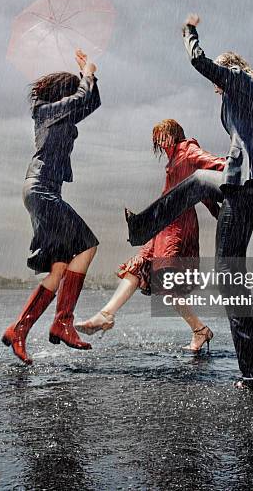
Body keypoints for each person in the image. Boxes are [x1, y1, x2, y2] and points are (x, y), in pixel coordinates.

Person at [126, 15, 253, 389]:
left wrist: (189, 31)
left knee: (228, 279)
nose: (216, 89)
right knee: (202, 190)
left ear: (231, 71)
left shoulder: (237, 82)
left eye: (219, 81)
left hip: (245, 184)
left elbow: (199, 61)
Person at [76, 119, 226, 352]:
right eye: (156, 137)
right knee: (138, 267)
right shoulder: (173, 159)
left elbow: (213, 166)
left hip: (180, 225)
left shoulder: (188, 150)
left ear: (175, 134)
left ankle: (200, 330)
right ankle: (106, 315)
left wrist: (233, 172)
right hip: (164, 224)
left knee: (165, 278)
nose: (159, 140)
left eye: (163, 135)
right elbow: (201, 190)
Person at [2, 49, 101, 364]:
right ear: (64, 93)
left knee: (59, 268)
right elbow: (83, 99)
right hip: (43, 191)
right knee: (87, 247)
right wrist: (87, 72)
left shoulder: (55, 112)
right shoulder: (48, 111)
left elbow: (91, 102)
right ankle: (63, 322)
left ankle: (19, 329)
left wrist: (89, 75)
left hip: (43, 191)